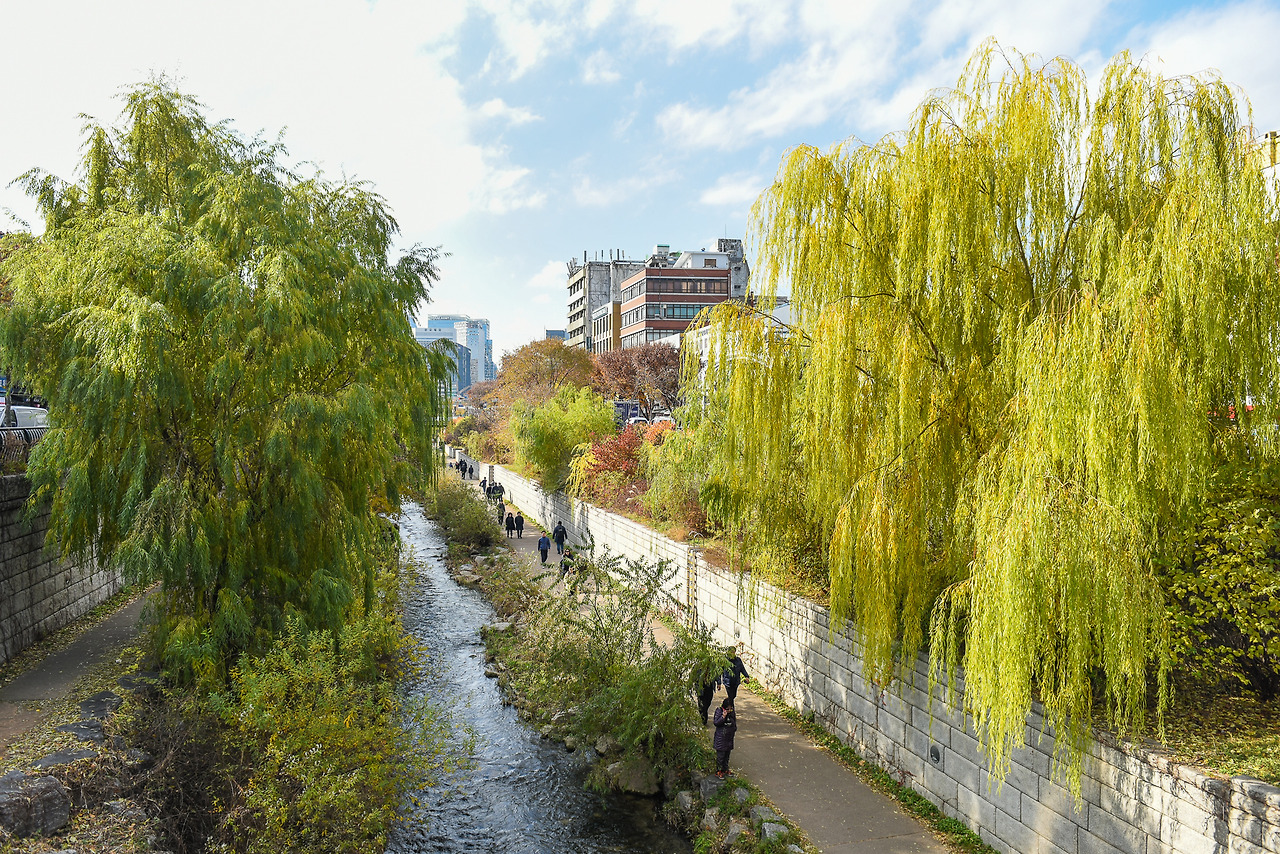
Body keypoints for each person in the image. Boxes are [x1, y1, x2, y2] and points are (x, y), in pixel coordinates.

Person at [713, 698, 737, 778]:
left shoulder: (732, 713)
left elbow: (734, 723)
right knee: (721, 756)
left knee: (727, 755)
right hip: (721, 738)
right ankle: (719, 771)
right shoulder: (719, 711)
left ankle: (725, 769)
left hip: (729, 737)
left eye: (731, 709)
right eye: (728, 709)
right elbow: (716, 722)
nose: (729, 710)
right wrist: (723, 717)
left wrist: (733, 729)